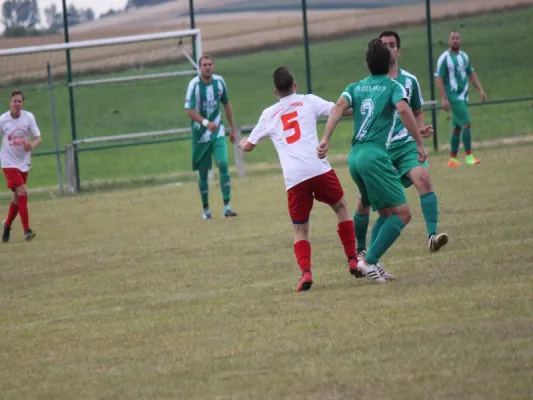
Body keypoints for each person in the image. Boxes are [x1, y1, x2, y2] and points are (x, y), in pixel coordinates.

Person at [239, 66, 363, 291]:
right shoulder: (308, 101)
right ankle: (353, 259)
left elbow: (248, 147)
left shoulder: (269, 114)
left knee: (300, 229)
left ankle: (306, 273)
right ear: (295, 85)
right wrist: (363, 108)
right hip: (318, 168)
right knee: (341, 208)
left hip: (294, 178)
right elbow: (338, 109)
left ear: (275, 92)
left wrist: (242, 141)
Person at [317, 39, 428, 282]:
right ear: (389, 62)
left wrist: (325, 138)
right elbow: (403, 110)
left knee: (385, 211)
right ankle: (367, 261)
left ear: (367, 65)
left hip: (355, 157)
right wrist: (419, 142)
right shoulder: (392, 85)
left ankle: (371, 261)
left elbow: (337, 108)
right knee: (403, 214)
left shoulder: (356, 87)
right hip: (375, 156)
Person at [353, 30, 448, 267]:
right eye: (383, 45)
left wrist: (420, 129)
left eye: (392, 44)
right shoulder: (370, 84)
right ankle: (362, 251)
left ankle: (432, 236)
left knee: (423, 178)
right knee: (368, 203)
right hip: (378, 150)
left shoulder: (409, 81)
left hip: (404, 145)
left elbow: (415, 110)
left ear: (399, 50)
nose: (388, 48)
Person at [185, 54, 238, 219]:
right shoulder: (194, 85)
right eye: (204, 65)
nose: (207, 67)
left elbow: (227, 104)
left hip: (218, 132)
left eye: (210, 64)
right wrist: (206, 122)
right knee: (202, 172)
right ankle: (206, 209)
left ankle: (227, 207)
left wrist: (232, 128)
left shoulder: (219, 82)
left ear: (213, 66)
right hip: (200, 135)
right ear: (200, 68)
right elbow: (189, 111)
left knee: (222, 163)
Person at [435, 30, 486, 167]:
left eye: (457, 38)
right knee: (467, 123)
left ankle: (453, 159)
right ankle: (469, 156)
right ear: (448, 41)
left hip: (464, 95)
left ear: (460, 40)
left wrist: (480, 90)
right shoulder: (444, 58)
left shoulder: (464, 56)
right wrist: (444, 98)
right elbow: (439, 78)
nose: (455, 40)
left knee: (457, 128)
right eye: (453, 38)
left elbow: (471, 74)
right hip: (453, 96)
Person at [1, 90, 42, 242]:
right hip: (8, 163)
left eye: (19, 101)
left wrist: (31, 144)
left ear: (22, 103)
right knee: (23, 191)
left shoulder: (28, 117)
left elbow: (38, 138)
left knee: (17, 200)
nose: (17, 104)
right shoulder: (3, 120)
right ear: (10, 103)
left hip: (23, 163)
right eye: (14, 101)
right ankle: (27, 231)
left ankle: (7, 225)